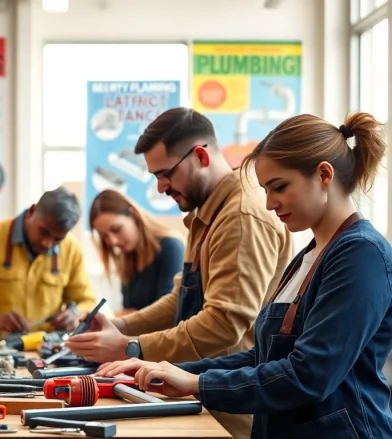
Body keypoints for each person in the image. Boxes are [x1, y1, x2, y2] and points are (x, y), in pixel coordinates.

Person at [96, 112, 392, 439]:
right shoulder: (307, 256)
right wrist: (173, 370)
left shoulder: (360, 254)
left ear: (323, 175)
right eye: (265, 189)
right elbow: (261, 356)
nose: (268, 203)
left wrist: (197, 382)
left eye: (278, 187)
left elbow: (309, 374)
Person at [64, 107, 293, 439]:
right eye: (155, 176)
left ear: (200, 155)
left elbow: (224, 324)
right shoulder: (207, 214)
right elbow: (181, 298)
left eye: (165, 174)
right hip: (199, 395)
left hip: (228, 411)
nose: (160, 188)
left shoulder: (240, 216)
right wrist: (120, 326)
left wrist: (132, 347)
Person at [0, 187, 98, 333]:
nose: (47, 243)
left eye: (57, 239)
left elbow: (87, 301)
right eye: (43, 231)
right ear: (32, 211)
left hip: (48, 348)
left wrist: (76, 313)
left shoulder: (72, 249)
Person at [89, 189, 184, 312]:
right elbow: (129, 310)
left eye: (116, 229)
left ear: (133, 214)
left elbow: (167, 313)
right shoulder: (128, 257)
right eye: (104, 236)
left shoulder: (171, 247)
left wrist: (120, 319)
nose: (113, 241)